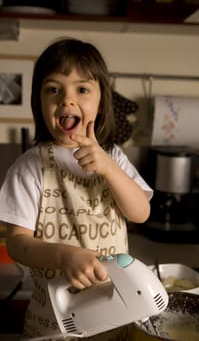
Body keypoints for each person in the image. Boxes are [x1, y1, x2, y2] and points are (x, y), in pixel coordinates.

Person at [0, 37, 153, 341]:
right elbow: (17, 243)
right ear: (39, 102)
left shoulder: (115, 157)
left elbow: (141, 213)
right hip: (54, 323)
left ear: (100, 101)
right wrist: (63, 256)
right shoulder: (29, 167)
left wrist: (109, 168)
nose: (66, 100)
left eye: (82, 90)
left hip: (117, 317)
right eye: (53, 89)